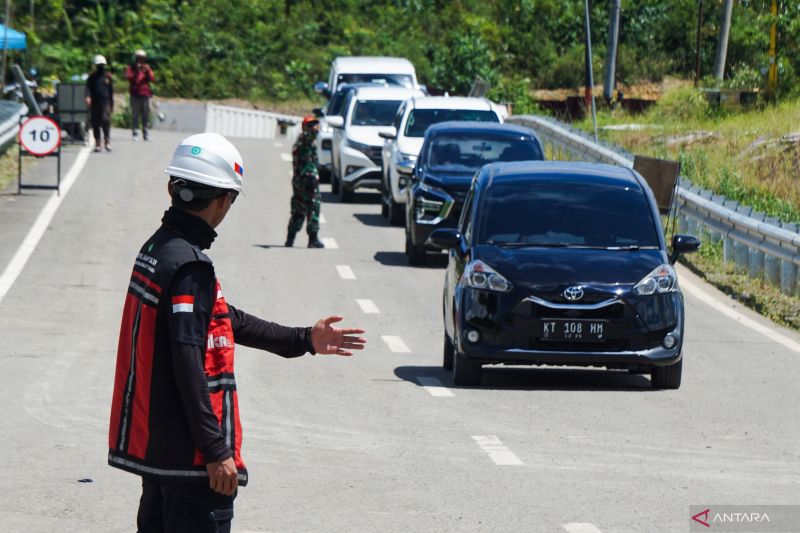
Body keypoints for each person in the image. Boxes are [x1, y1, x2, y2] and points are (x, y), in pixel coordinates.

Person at [108, 132, 366, 532]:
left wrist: (303, 339)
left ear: (172, 188)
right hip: (193, 463)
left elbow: (223, 318)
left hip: (161, 454)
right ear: (224, 200)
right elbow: (187, 362)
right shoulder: (190, 266)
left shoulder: (158, 249)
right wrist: (215, 450)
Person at [285, 115, 324, 248]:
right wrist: (312, 130)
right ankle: (309, 239)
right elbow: (310, 135)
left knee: (302, 208)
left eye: (315, 125)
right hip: (306, 180)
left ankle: (293, 239)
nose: (315, 128)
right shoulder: (305, 140)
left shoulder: (308, 141)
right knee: (310, 208)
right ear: (305, 128)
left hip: (304, 180)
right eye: (311, 125)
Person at [85, 54, 113, 152]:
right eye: (98, 65)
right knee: (95, 123)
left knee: (105, 120)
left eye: (102, 65)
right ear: (95, 66)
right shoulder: (92, 77)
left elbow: (111, 91)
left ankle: (107, 141)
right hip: (95, 103)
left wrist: (111, 104)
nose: (100, 67)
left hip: (105, 103)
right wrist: (88, 97)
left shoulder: (108, 77)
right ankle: (97, 142)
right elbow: (88, 88)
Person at [125, 49, 155, 140]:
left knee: (146, 115)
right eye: (139, 58)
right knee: (135, 115)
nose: (141, 60)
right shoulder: (131, 68)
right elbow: (128, 77)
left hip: (145, 94)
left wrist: (148, 70)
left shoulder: (147, 68)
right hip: (135, 94)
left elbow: (152, 78)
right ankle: (135, 133)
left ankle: (146, 134)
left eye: (142, 58)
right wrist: (137, 71)